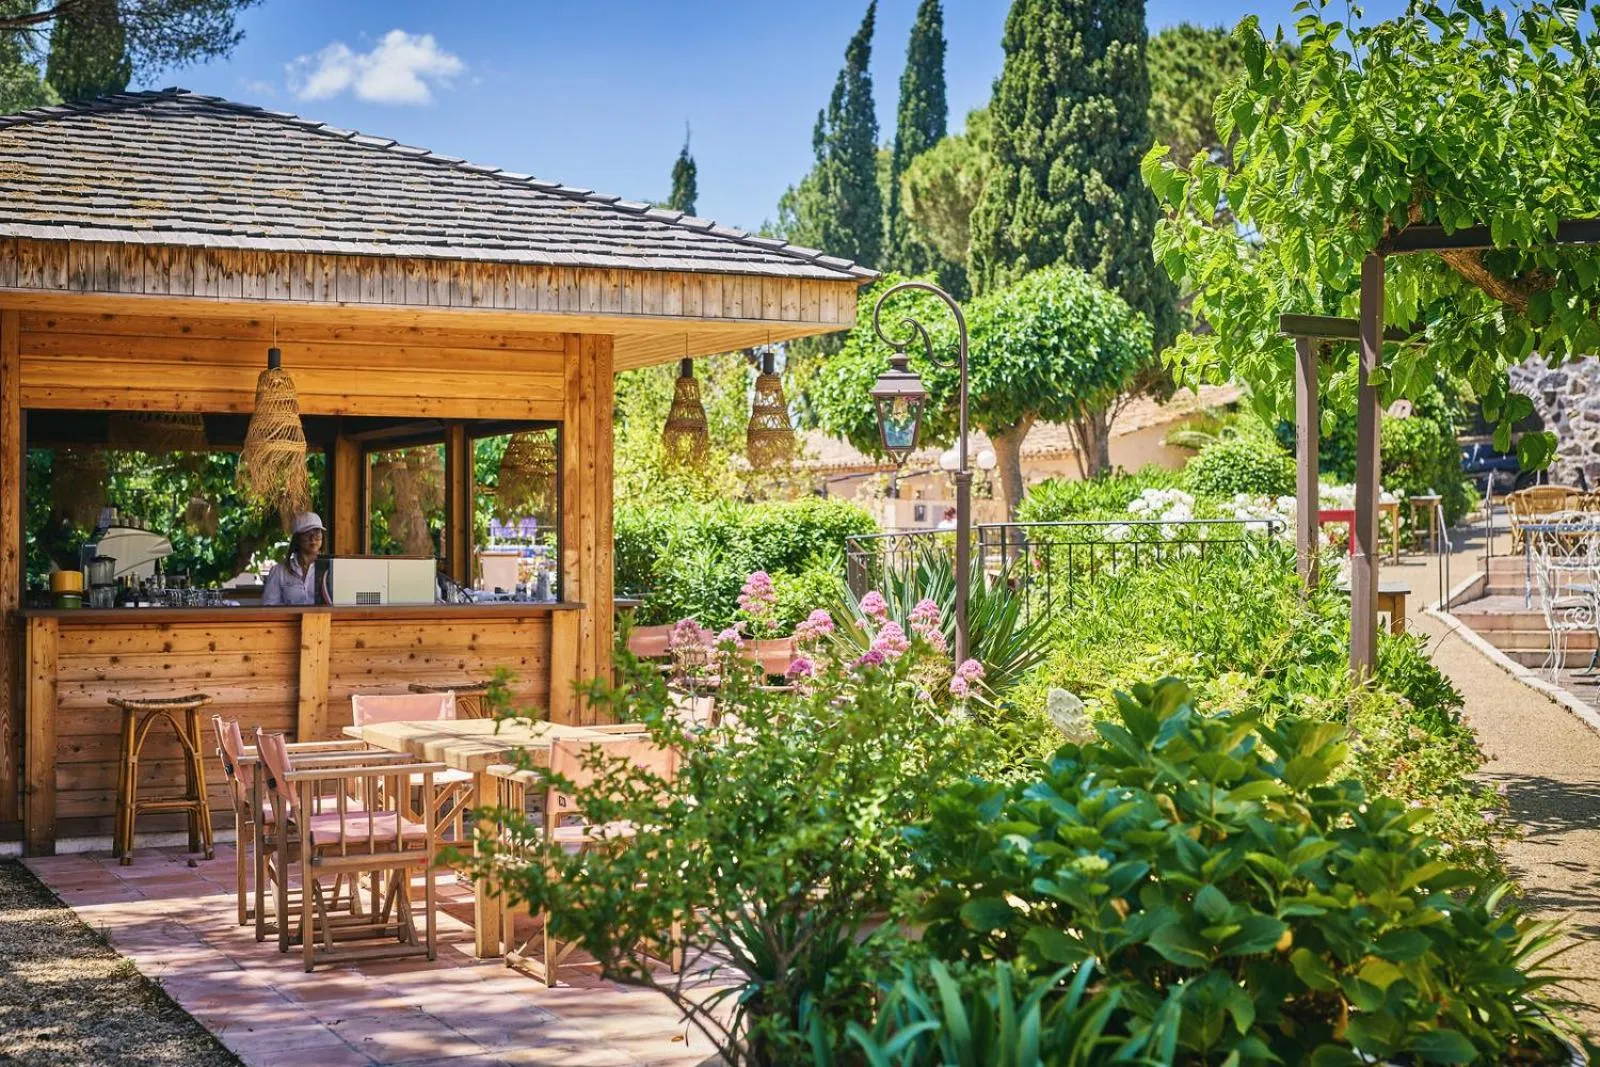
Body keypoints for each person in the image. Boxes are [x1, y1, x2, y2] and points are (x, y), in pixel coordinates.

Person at [262, 512, 324, 605]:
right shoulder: (279, 571)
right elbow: (269, 606)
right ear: (297, 538)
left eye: (317, 533)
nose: (313, 539)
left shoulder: (330, 569)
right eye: (307, 533)